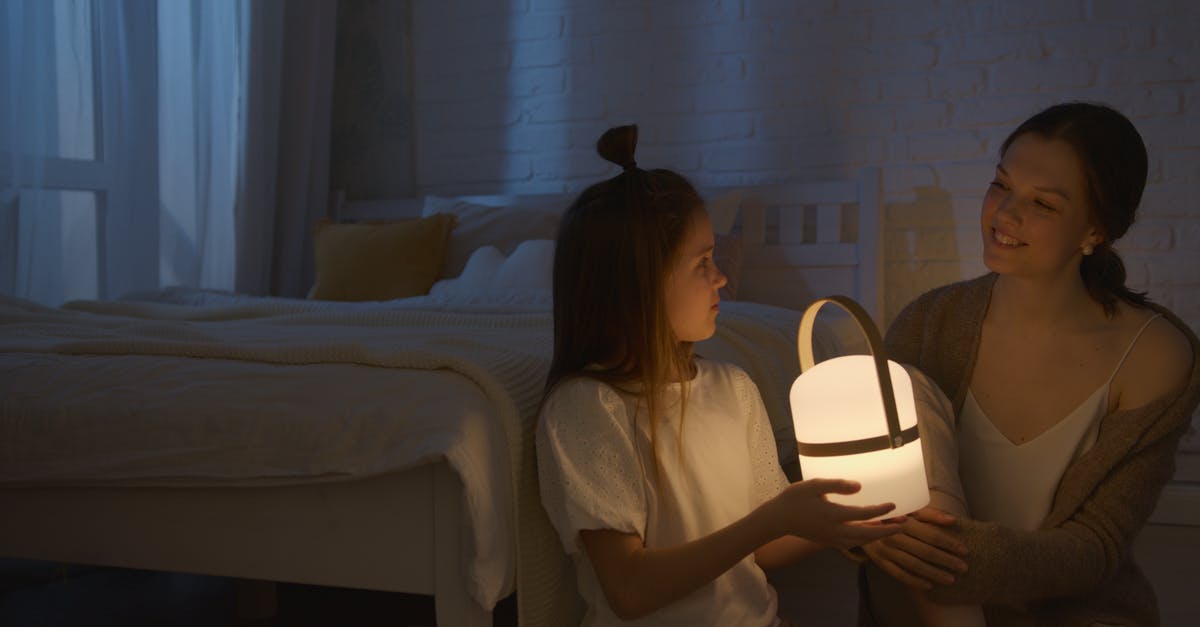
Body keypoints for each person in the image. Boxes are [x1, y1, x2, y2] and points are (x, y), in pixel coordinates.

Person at [535, 124, 902, 626]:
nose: (721, 277)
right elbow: (629, 589)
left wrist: (843, 524)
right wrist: (770, 521)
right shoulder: (589, 408)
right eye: (703, 262)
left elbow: (765, 545)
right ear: (637, 285)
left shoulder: (733, 388)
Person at [859, 102, 1200, 626]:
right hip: (922, 609)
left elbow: (1097, 546)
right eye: (1001, 185)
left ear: (1096, 230)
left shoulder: (1157, 355)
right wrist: (872, 539)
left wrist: (954, 555)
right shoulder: (931, 322)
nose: (1004, 215)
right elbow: (867, 483)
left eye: (1042, 204)